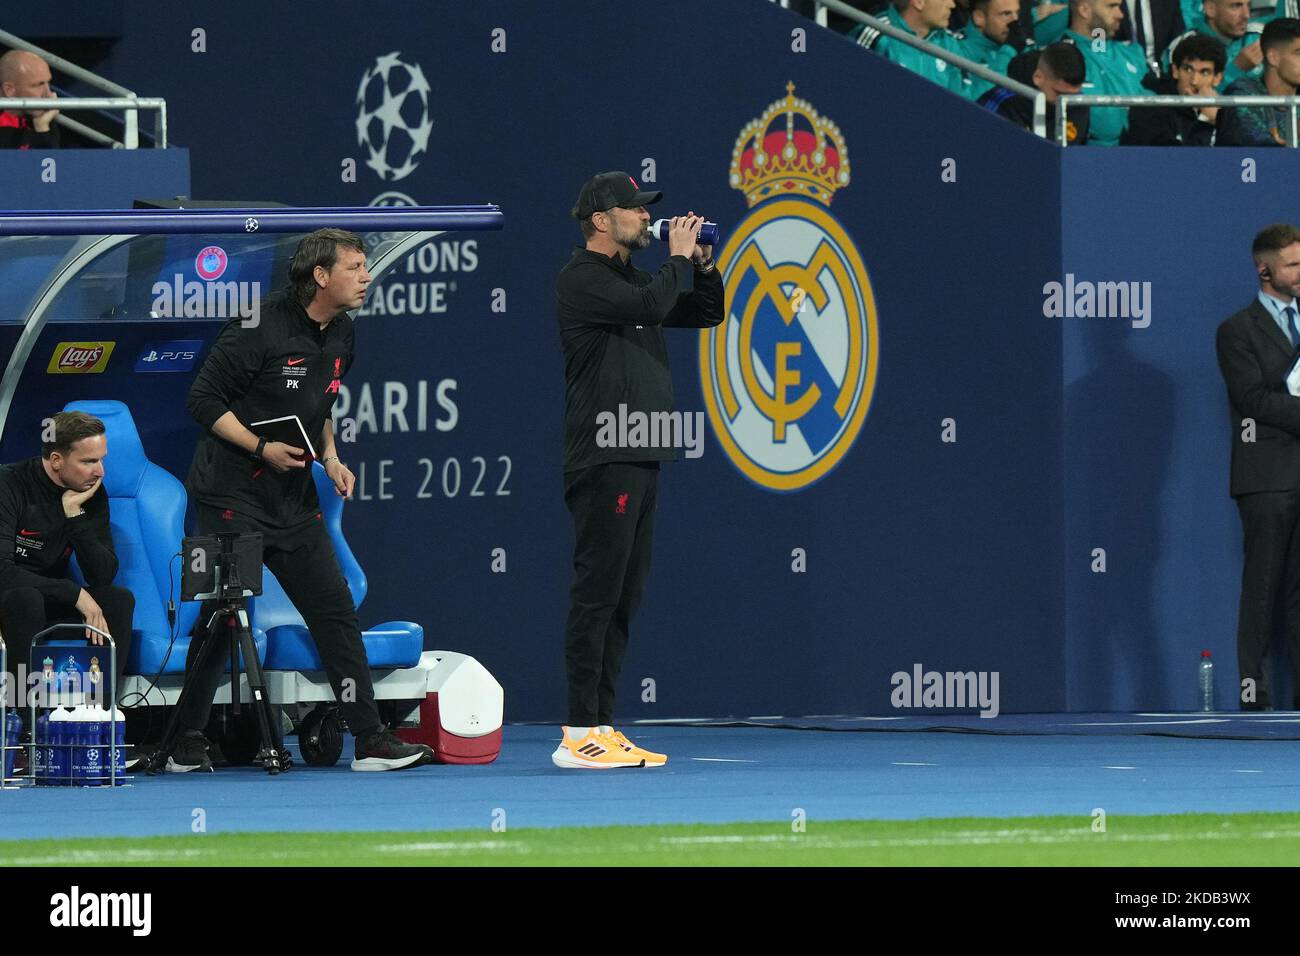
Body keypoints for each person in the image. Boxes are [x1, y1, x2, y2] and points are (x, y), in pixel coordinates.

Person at [176, 228, 433, 773]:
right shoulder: (256, 324)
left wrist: (331, 457)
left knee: (335, 609)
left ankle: (369, 738)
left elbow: (320, 408)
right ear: (320, 276)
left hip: (291, 500)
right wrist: (261, 447)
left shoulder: (343, 332)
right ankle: (186, 739)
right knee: (226, 615)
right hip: (229, 493)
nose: (367, 277)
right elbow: (202, 399)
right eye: (356, 267)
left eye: (366, 267)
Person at [553, 172, 724, 770]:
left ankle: (602, 724)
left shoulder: (629, 280)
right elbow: (654, 302)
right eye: (635, 209)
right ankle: (577, 731)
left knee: (625, 597)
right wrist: (676, 258)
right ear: (603, 220)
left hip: (643, 449)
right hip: (604, 453)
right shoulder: (583, 280)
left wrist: (700, 264)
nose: (648, 218)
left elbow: (705, 314)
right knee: (597, 594)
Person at [0, 412, 134, 731]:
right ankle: (21, 731)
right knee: (25, 599)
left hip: (45, 598)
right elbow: (2, 570)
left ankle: (99, 722)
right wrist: (75, 594)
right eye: (89, 461)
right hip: (11, 599)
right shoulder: (9, 483)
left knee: (117, 600)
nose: (100, 471)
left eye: (102, 460)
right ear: (57, 459)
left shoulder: (90, 493)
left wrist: (74, 515)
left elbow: (102, 575)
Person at [1216, 223, 1300, 711]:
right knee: (1264, 588)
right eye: (1291, 264)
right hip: (1266, 478)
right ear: (1264, 269)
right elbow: (1251, 400)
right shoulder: (1237, 330)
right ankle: (1255, 694)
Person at [1063, 0, 1154, 144]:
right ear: (1084, 10)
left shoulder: (1133, 53)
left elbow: (1159, 109)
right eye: (1112, 6)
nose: (1121, 14)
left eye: (1119, 6)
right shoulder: (1060, 59)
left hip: (1145, 153)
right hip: (1086, 158)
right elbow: (1104, 127)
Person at [851, 0, 974, 96]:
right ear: (919, 2)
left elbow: (959, 106)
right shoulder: (878, 35)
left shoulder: (950, 46)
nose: (952, 5)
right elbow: (850, 86)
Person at [978, 41, 1093, 141]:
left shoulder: (1079, 103)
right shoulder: (1000, 103)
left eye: (1073, 95)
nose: (1067, 102)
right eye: (1059, 94)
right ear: (1038, 78)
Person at [1123, 32, 1225, 142]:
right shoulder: (1151, 107)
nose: (1194, 81)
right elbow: (1176, 158)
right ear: (1175, 71)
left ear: (1217, 78)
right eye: (1188, 69)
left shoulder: (1225, 110)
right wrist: (1206, 122)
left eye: (1204, 72)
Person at [1217, 16, 1300, 144]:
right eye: (1298, 53)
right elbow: (1257, 149)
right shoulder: (1243, 94)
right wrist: (1294, 130)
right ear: (1273, 57)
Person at [1162, 0, 1262, 89]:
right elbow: (1190, 102)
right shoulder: (1184, 46)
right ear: (1210, 9)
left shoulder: (1259, 37)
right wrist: (1236, 69)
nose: (1246, 15)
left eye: (1248, 5)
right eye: (1236, 6)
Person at [959, 0, 1026, 98]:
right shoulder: (956, 49)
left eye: (1017, 13)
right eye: (1006, 14)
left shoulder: (1022, 47)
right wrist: (1007, 53)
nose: (1015, 22)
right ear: (979, 17)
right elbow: (969, 103)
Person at [0, 50, 59, 150]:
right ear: (9, 90)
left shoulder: (41, 118)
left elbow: (49, 164)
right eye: (38, 85)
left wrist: (42, 128)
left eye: (48, 83)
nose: (49, 94)